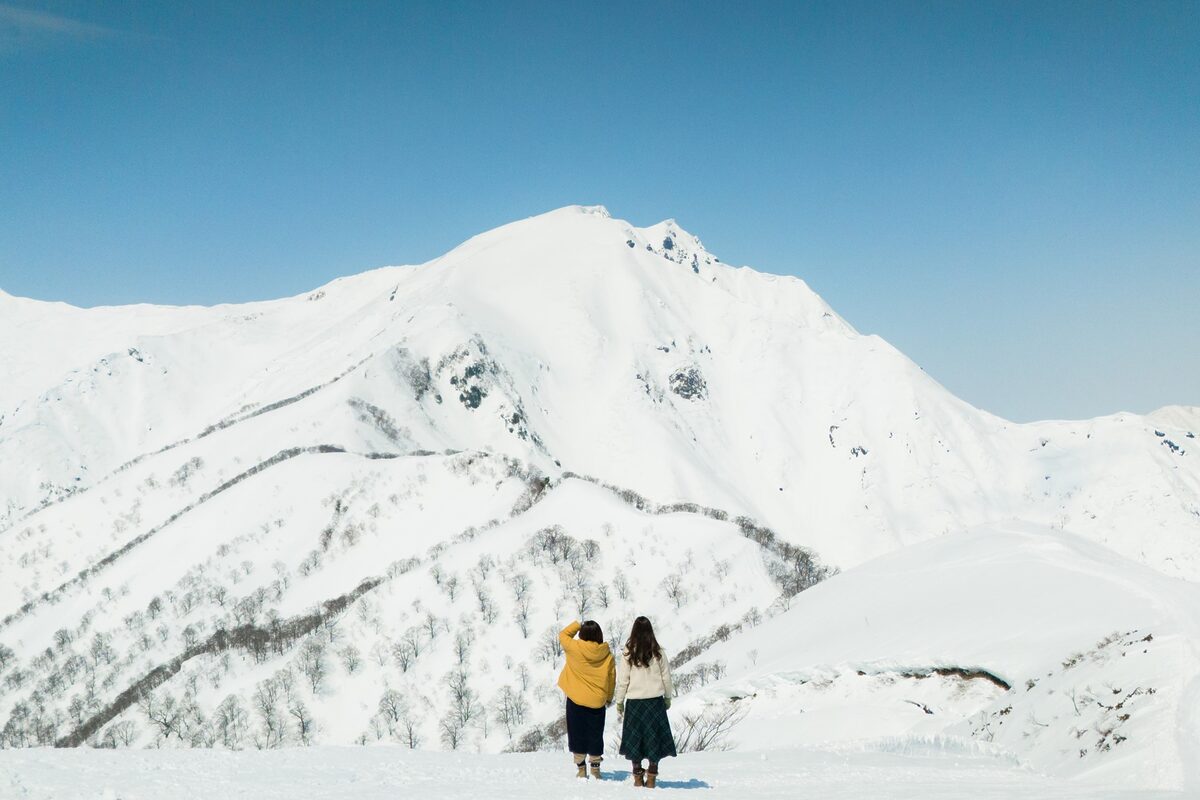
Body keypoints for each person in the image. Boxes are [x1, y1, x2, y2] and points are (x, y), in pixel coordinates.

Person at [616, 616, 677, 788]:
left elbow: (623, 680)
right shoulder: (658, 651)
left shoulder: (628, 652)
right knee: (653, 739)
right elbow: (667, 677)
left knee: (635, 740)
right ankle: (651, 777)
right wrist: (668, 697)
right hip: (655, 703)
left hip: (635, 704)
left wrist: (619, 701)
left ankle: (637, 777)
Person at [556, 619, 616, 779]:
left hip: (575, 700)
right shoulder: (607, 654)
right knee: (596, 734)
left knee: (577, 734)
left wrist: (577, 624)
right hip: (597, 702)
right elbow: (611, 679)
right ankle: (595, 769)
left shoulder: (574, 647)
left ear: (582, 634)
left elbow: (563, 634)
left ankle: (581, 769)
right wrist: (609, 698)